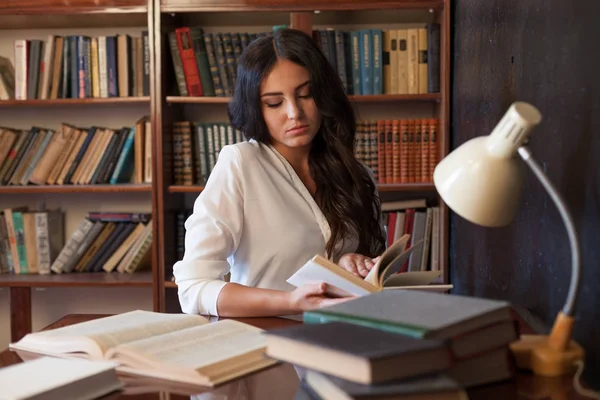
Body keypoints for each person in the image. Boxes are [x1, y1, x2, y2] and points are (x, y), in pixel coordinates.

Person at [173, 28, 386, 318]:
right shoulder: (240, 164)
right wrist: (292, 301)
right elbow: (193, 289)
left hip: (343, 344)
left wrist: (351, 264)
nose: (294, 113)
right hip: (266, 346)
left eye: (306, 95)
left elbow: (364, 283)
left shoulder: (357, 174)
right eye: (274, 102)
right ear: (255, 108)